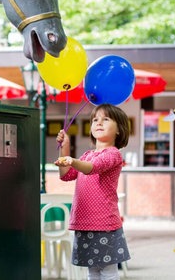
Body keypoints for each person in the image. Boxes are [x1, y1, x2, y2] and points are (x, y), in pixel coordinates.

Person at [54, 103, 131, 280]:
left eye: (106, 119)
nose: (98, 122)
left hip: (104, 223)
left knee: (108, 271)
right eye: (95, 119)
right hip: (84, 221)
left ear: (119, 129)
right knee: (92, 271)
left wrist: (71, 160)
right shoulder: (87, 155)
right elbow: (66, 175)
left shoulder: (113, 154)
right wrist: (65, 147)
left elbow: (92, 168)